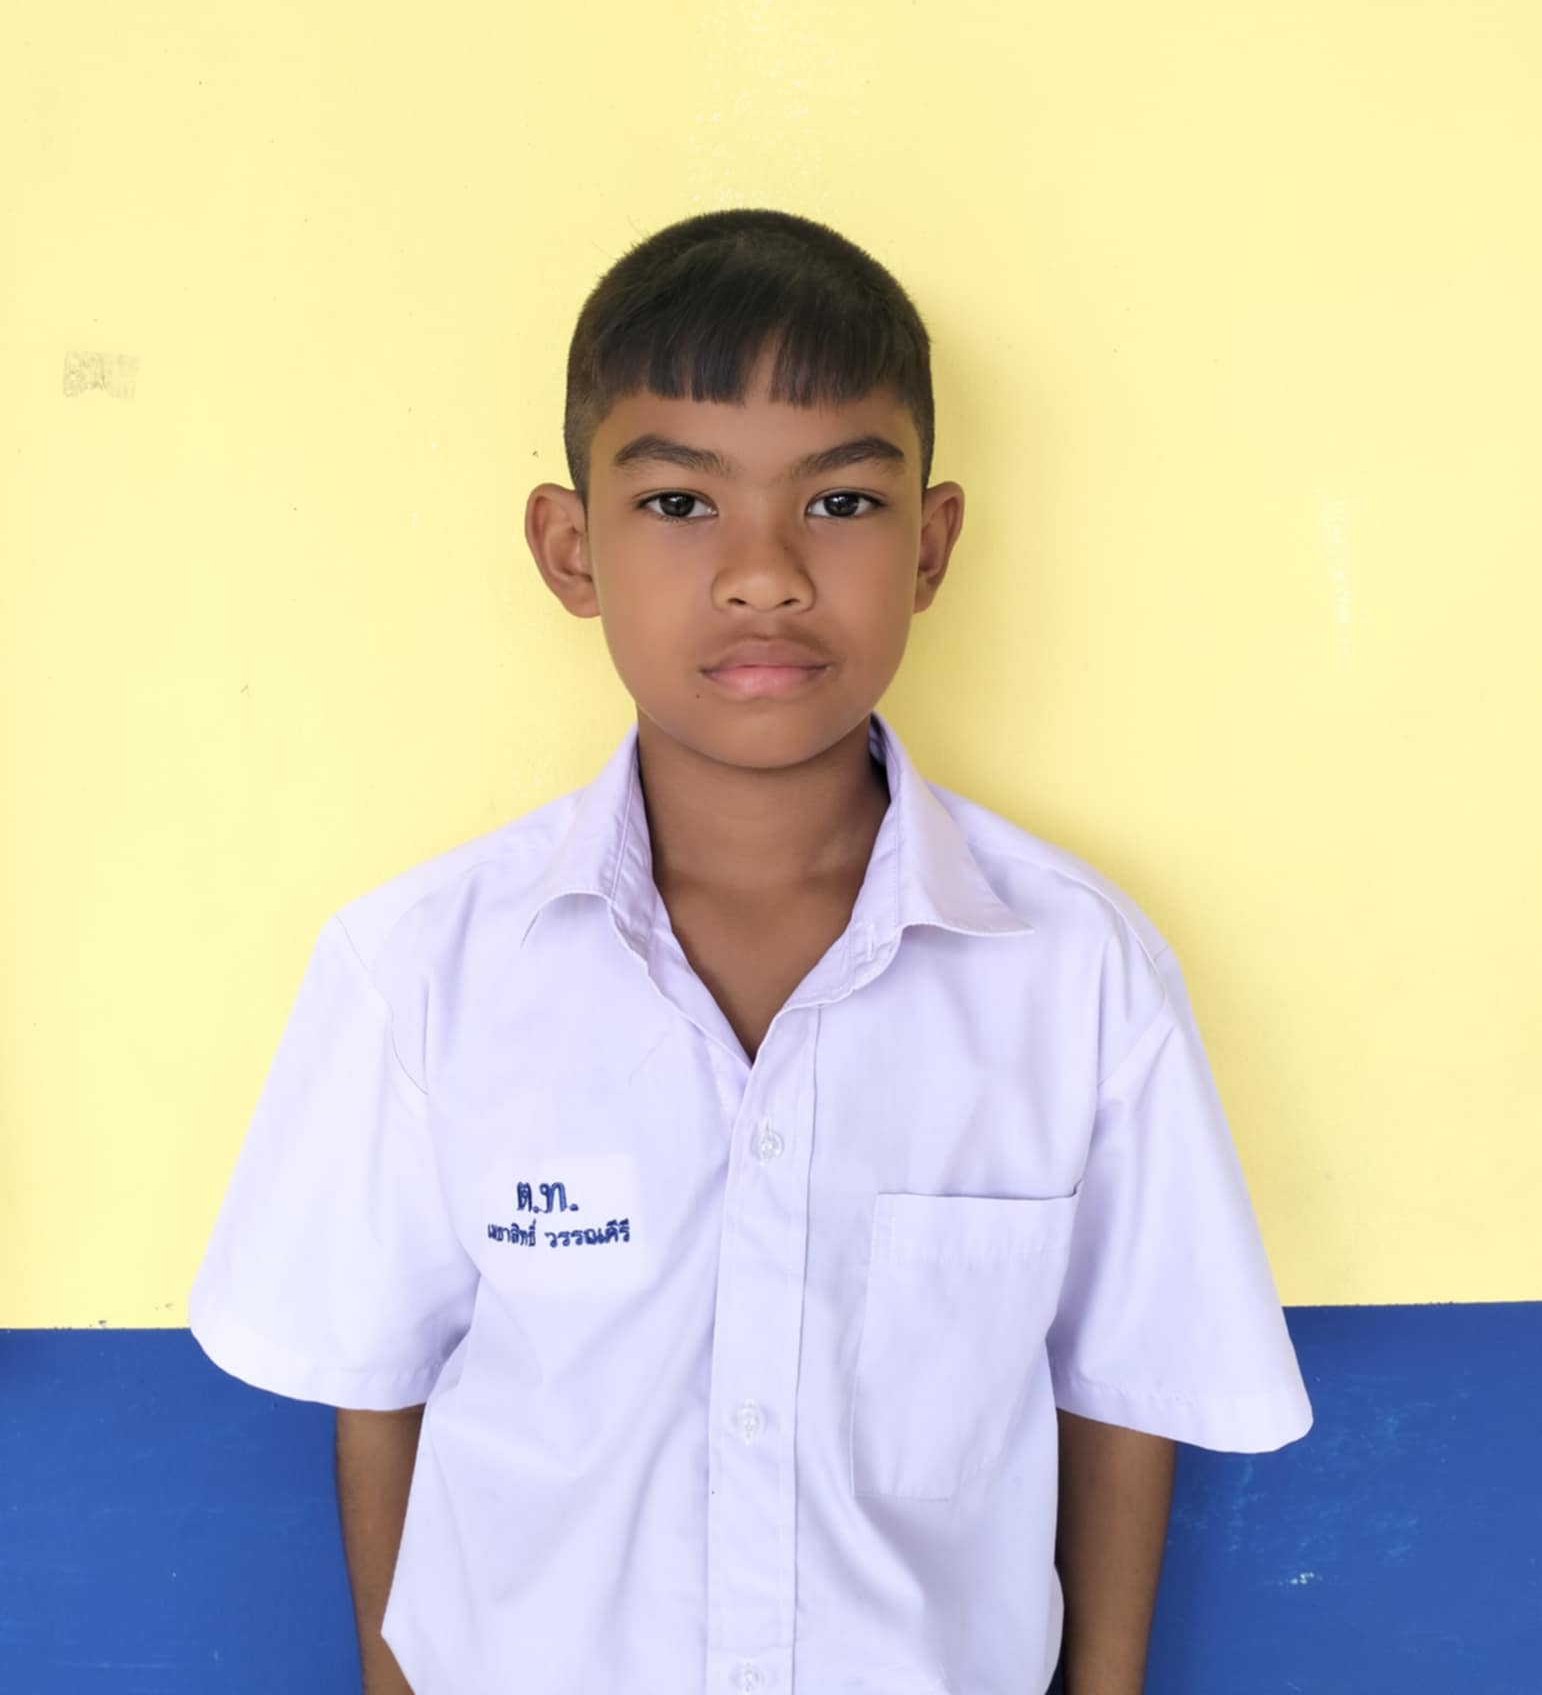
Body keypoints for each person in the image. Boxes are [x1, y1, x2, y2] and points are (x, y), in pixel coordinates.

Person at [188, 208, 1312, 1695]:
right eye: (678, 503)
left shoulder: (1075, 972)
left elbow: (1121, 1393)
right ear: (570, 548)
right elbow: (380, 1396)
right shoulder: (419, 970)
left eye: (841, 502)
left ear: (933, 544)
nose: (764, 572)